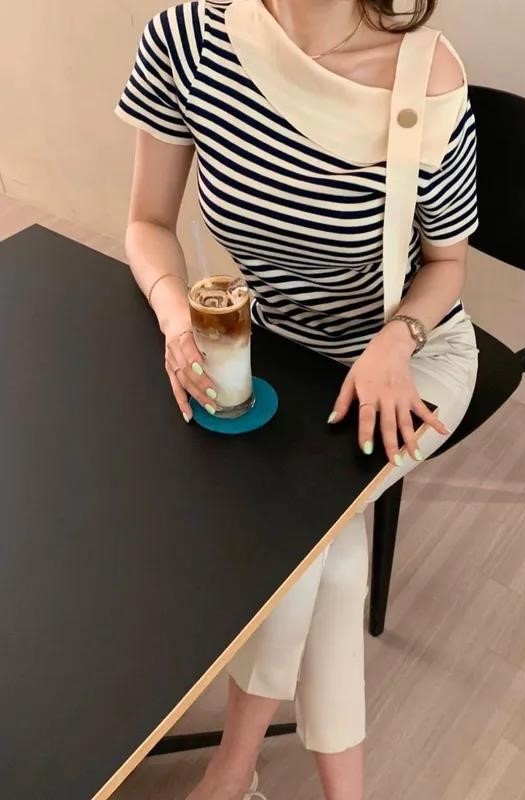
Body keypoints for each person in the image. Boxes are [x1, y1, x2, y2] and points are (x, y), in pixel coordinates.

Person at [116, 0, 478, 797]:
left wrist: (394, 342)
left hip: (411, 355)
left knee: (305, 542)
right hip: (273, 351)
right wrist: (179, 325)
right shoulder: (187, 41)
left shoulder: (426, 76)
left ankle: (231, 774)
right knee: (332, 557)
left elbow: (448, 267)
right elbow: (146, 222)